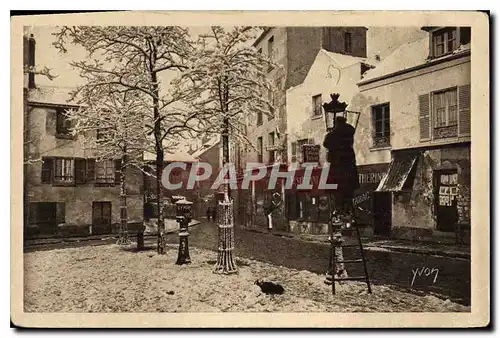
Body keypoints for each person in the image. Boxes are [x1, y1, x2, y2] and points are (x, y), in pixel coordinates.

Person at [323, 116, 359, 215]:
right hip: (350, 164)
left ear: (336, 122)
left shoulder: (334, 133)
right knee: (348, 192)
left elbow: (326, 143)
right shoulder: (350, 130)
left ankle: (339, 210)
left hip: (338, 165)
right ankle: (347, 210)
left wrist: (332, 131)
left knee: (337, 191)